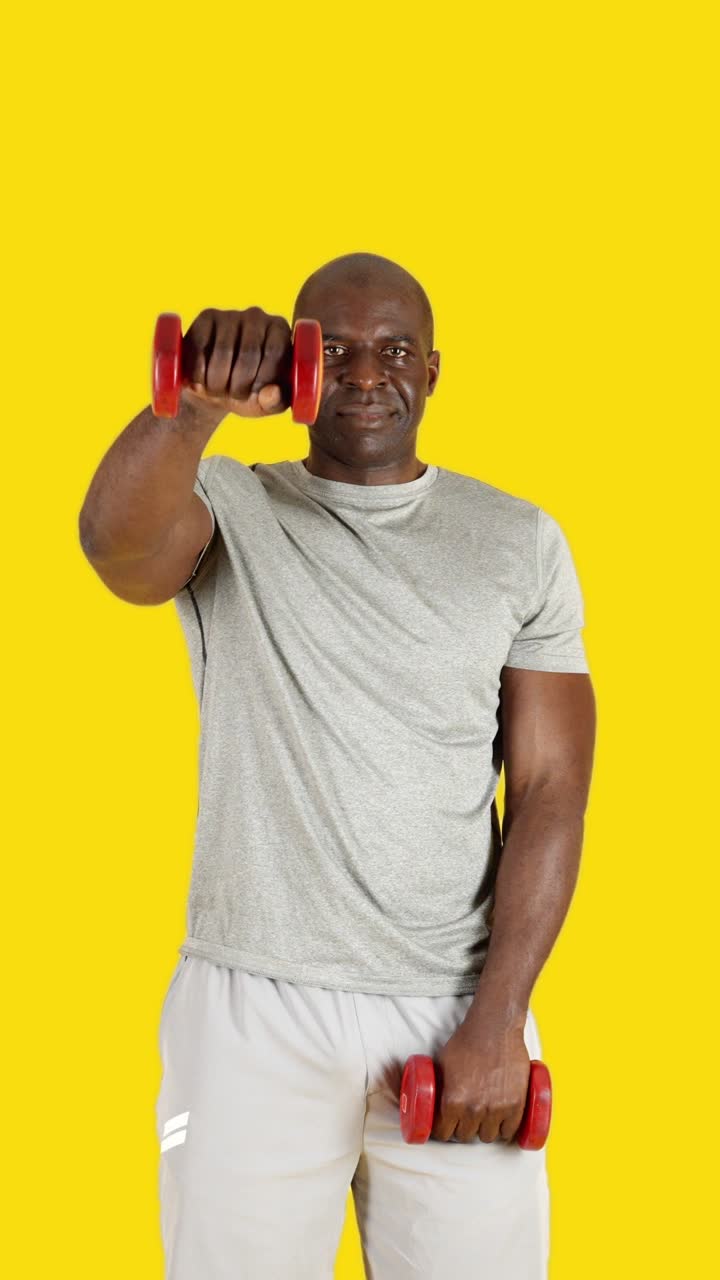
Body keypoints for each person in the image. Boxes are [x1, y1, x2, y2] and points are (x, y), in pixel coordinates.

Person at [78, 252, 596, 1279]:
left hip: (456, 1008)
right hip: (253, 1003)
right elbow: (115, 548)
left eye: (394, 349)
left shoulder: (516, 540)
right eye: (339, 349)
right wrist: (191, 408)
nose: (367, 373)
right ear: (302, 366)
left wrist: (498, 1021)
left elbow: (550, 787)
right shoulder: (232, 505)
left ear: (435, 371)